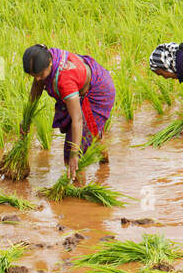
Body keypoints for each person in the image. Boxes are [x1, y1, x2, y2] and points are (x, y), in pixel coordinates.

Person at [21, 44, 116, 185]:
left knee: (72, 155)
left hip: (98, 91)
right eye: (34, 76)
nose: (39, 79)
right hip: (85, 82)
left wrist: (74, 154)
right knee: (91, 132)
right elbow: (37, 86)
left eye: (41, 75)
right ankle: (104, 165)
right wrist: (26, 120)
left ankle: (80, 190)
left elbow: (77, 120)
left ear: (50, 63)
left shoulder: (65, 80)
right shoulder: (43, 57)